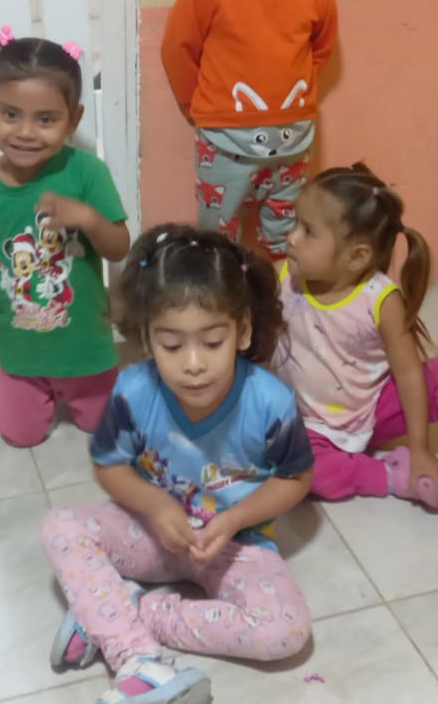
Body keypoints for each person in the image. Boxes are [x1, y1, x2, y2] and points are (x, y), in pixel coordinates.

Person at [41, 225, 314, 703]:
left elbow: (295, 479)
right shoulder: (133, 391)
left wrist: (235, 519)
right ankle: (136, 656)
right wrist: (155, 504)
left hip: (237, 542)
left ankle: (122, 610)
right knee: (61, 525)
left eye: (212, 342)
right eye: (171, 345)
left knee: (285, 632)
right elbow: (108, 466)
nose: (193, 364)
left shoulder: (270, 401)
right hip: (154, 533)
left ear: (242, 331)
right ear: (147, 339)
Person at [275, 164, 438, 560]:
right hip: (312, 423)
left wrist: (421, 448)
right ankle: (392, 476)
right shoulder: (286, 279)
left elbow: (409, 373)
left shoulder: (380, 300)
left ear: (357, 257)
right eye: (295, 223)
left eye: (308, 231)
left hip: (372, 409)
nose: (291, 237)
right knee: (294, 469)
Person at [161, 0, 338, 259]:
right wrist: (196, 107)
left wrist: (289, 96)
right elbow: (178, 49)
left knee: (286, 235)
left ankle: (280, 295)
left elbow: (320, 48)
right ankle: (222, 296)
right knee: (217, 241)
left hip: (294, 141)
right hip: (223, 142)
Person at [0, 33, 131, 447]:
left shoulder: (87, 173)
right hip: (20, 354)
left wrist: (87, 218)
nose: (26, 133)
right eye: (10, 114)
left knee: (103, 427)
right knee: (21, 437)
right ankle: (6, 380)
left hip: (87, 348)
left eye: (46, 119)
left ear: (74, 118)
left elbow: (118, 248)